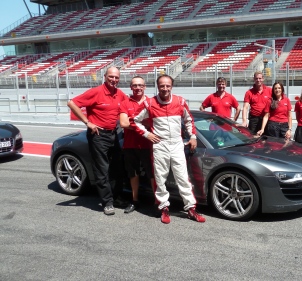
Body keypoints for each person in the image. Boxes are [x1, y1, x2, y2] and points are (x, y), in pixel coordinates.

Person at [133, 75, 206, 224]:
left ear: (171, 86)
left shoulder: (180, 101)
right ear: (157, 87)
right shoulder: (150, 103)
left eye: (167, 86)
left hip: (177, 144)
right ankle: (164, 208)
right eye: (162, 86)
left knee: (183, 178)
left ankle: (191, 208)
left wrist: (192, 136)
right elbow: (134, 120)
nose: (165, 89)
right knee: (160, 179)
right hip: (160, 145)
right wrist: (147, 134)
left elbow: (188, 119)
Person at [67, 67, 127, 215]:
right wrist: (87, 122)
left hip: (114, 134)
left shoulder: (119, 94)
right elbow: (71, 103)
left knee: (117, 168)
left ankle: (116, 197)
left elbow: (130, 107)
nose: (114, 80)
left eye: (116, 77)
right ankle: (107, 202)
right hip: (98, 135)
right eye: (111, 77)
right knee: (102, 169)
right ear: (105, 76)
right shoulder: (96, 92)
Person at [119, 76, 154, 213]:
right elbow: (123, 123)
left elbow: (154, 122)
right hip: (130, 145)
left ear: (145, 87)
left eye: (140, 85)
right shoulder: (125, 103)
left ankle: (157, 202)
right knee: (133, 174)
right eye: (135, 85)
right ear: (131, 87)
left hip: (148, 144)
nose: (138, 88)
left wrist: (132, 122)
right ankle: (135, 201)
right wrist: (141, 123)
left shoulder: (151, 102)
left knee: (152, 174)